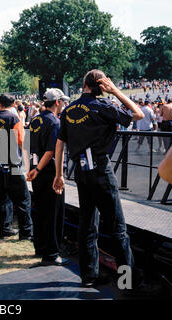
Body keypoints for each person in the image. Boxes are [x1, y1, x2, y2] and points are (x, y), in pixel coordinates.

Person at [52, 69, 145, 289]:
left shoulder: (69, 109)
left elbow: (59, 144)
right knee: (118, 229)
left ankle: (88, 276)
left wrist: (59, 175)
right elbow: (138, 114)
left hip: (80, 172)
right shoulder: (104, 106)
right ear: (102, 86)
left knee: (87, 226)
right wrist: (116, 92)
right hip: (101, 170)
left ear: (84, 84)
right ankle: (127, 283)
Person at [27, 88, 70, 266]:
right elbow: (51, 150)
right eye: (63, 102)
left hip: (36, 170)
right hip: (48, 172)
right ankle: (52, 253)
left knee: (40, 210)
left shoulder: (35, 119)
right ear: (57, 102)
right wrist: (38, 168)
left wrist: (33, 168)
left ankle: (40, 246)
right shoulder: (55, 122)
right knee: (54, 213)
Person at [0, 94, 33, 240]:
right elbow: (21, 140)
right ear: (13, 104)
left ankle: (4, 229)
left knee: (3, 199)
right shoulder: (14, 118)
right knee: (23, 200)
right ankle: (26, 232)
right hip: (13, 164)